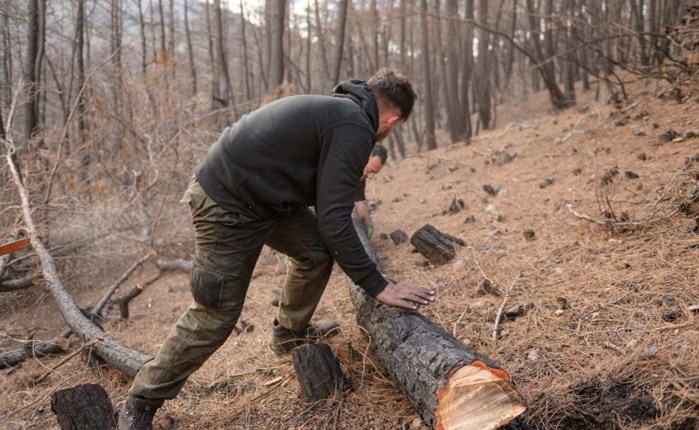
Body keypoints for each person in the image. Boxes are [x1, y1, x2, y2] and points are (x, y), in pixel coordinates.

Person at [118, 68, 435, 430]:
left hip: (263, 200)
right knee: (215, 313)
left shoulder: (341, 112)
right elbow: (334, 218)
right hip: (227, 203)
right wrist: (379, 285)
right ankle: (142, 399)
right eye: (394, 127)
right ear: (392, 119)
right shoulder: (353, 124)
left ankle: (289, 333)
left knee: (315, 252)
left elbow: (328, 201)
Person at [354, 145, 388, 239]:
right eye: (369, 170)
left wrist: (368, 222)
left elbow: (359, 200)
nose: (371, 176)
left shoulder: (361, 174)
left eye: (375, 173)